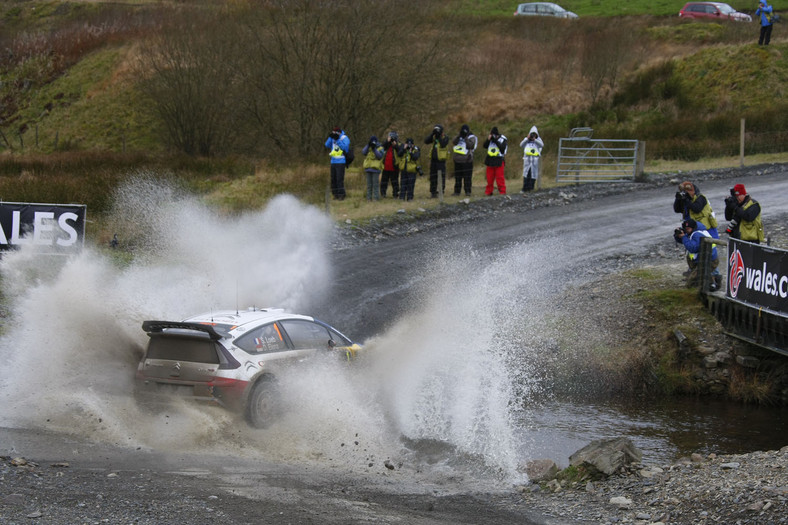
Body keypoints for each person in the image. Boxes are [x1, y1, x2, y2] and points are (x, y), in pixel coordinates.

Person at [674, 219, 722, 290]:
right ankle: (714, 280)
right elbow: (686, 241)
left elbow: (693, 248)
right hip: (706, 259)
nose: (686, 230)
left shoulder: (697, 234)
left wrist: (684, 237)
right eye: (685, 229)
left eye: (688, 229)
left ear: (693, 228)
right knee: (701, 275)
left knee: (691, 283)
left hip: (708, 260)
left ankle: (712, 283)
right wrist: (678, 236)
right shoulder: (695, 232)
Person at [324, 126, 350, 200]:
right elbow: (327, 145)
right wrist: (330, 137)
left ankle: (341, 195)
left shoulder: (344, 138)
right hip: (333, 161)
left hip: (341, 161)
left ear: (340, 132)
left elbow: (345, 148)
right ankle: (335, 194)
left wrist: (337, 139)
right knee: (333, 179)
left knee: (339, 179)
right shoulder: (333, 137)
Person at [424, 124, 450, 198]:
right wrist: (432, 133)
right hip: (433, 160)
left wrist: (439, 137)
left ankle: (441, 192)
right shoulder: (434, 137)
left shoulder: (445, 137)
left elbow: (443, 144)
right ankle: (433, 192)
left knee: (441, 177)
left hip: (441, 161)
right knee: (433, 177)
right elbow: (426, 141)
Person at [452, 124, 477, 196]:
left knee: (467, 177)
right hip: (457, 160)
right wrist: (459, 136)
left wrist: (465, 137)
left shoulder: (472, 137)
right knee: (457, 177)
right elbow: (454, 142)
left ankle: (468, 191)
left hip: (467, 160)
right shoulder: (458, 136)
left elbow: (470, 146)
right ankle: (457, 191)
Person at [483, 126, 508, 196]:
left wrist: (496, 141)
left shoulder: (503, 139)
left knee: (500, 177)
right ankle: (489, 191)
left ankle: (502, 191)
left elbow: (503, 149)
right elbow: (485, 146)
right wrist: (488, 140)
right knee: (489, 178)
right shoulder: (490, 139)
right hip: (490, 159)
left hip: (499, 159)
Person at [519, 126, 544, 193]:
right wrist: (527, 139)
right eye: (532, 134)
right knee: (526, 174)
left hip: (535, 161)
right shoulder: (526, 140)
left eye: (534, 134)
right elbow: (521, 145)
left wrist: (535, 140)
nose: (533, 135)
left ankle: (531, 188)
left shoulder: (538, 140)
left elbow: (542, 145)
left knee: (533, 174)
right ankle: (524, 188)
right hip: (527, 160)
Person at [362, 135, 384, 201]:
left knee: (375, 185)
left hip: (376, 168)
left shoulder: (380, 148)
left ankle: (376, 198)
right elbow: (363, 152)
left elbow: (380, 156)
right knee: (369, 185)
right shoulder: (368, 147)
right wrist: (368, 145)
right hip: (368, 168)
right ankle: (369, 198)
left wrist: (374, 149)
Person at [380, 131, 401, 198]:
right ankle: (383, 193)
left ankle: (395, 194)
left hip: (394, 166)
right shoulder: (386, 144)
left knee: (394, 181)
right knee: (384, 181)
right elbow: (381, 147)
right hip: (385, 166)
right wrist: (387, 141)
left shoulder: (398, 144)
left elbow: (400, 152)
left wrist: (395, 145)